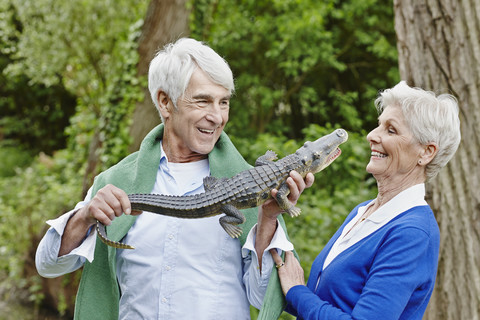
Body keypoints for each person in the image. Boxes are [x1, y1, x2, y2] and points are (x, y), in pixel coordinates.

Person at [35, 38, 314, 320]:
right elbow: (48, 264)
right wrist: (84, 217)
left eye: (224, 102)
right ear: (165, 102)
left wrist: (268, 219)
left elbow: (264, 296)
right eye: (203, 101)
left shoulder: (252, 184)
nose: (217, 117)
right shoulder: (118, 180)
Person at [270, 81, 461, 319]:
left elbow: (307, 300)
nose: (372, 135)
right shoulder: (362, 211)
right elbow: (321, 302)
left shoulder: (412, 232)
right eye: (378, 125)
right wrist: (269, 216)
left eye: (391, 130)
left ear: (426, 152)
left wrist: (297, 291)